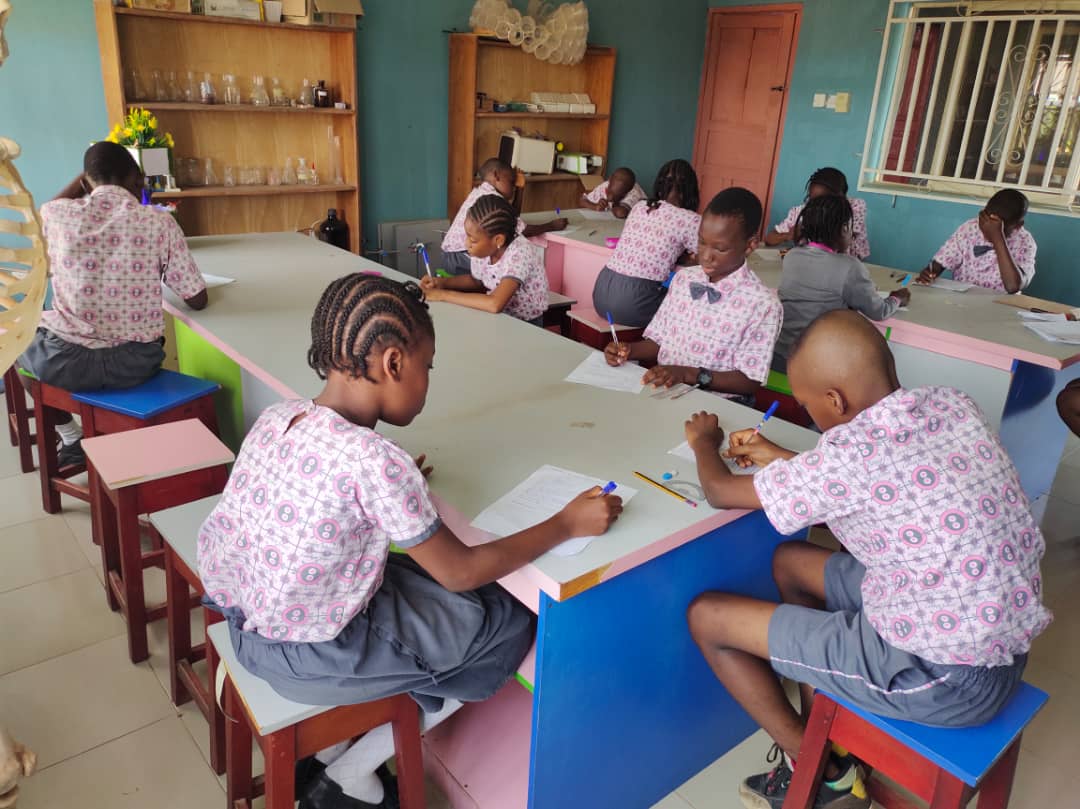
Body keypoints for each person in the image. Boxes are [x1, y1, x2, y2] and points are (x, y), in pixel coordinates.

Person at [197, 275, 622, 809]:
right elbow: (460, 572)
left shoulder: (281, 416)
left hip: (251, 623)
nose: (427, 380)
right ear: (394, 363)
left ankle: (335, 749)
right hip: (311, 652)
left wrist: (394, 491)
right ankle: (352, 771)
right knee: (507, 624)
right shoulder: (375, 461)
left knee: (432, 598)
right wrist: (565, 524)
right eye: (428, 366)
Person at [684, 310, 1051, 809]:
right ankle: (826, 713)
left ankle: (822, 772)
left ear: (835, 400)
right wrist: (777, 456)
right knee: (790, 560)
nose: (811, 415)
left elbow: (720, 490)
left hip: (946, 676)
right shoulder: (950, 404)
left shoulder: (849, 459)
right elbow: (866, 478)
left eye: (809, 406)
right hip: (992, 636)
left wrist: (704, 442)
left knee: (706, 617)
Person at [17, 141, 207, 467]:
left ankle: (71, 436)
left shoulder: (58, 215)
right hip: (136, 364)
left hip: (64, 363)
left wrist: (86, 181)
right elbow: (197, 299)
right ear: (138, 179)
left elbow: (50, 206)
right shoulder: (159, 222)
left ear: (85, 182)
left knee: (17, 348)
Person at [603, 187, 781, 401]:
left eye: (720, 249)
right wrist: (629, 350)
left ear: (750, 245)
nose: (705, 256)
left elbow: (749, 380)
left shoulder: (763, 304)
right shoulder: (684, 279)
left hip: (721, 404)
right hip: (669, 391)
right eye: (702, 242)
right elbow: (660, 341)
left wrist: (688, 374)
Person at [772, 194, 909, 373]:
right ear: (844, 229)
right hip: (816, 364)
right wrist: (896, 299)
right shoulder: (850, 266)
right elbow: (878, 311)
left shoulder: (792, 256)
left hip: (779, 355)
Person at [591, 159, 702, 328]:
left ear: (659, 185)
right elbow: (707, 257)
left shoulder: (639, 207)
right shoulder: (690, 219)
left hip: (602, 291)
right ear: (692, 189)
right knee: (688, 306)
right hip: (635, 302)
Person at [420, 194, 548, 325]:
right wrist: (442, 283)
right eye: (467, 236)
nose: (466, 244)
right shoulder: (486, 251)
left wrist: (443, 295)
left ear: (498, 240)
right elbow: (477, 281)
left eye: (473, 240)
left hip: (526, 324)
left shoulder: (520, 253)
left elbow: (495, 304)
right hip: (500, 318)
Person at [439, 158, 567, 275]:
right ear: (496, 176)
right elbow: (521, 230)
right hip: (461, 257)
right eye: (511, 182)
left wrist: (520, 189)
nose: (513, 188)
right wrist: (552, 226)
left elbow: (510, 219)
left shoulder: (481, 191)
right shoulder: (491, 198)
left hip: (453, 256)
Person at [916, 189, 1035, 293]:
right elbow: (940, 263)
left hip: (1000, 304)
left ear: (1018, 225)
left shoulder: (1025, 241)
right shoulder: (969, 228)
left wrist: (998, 238)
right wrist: (930, 272)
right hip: (962, 301)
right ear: (982, 214)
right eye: (986, 221)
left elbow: (1013, 286)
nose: (988, 228)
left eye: (999, 227)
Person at [764, 167, 871, 260]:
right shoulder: (801, 211)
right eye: (811, 199)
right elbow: (769, 239)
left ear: (840, 198)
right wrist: (789, 235)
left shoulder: (854, 207)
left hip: (846, 264)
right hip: (813, 264)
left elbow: (842, 245)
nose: (815, 205)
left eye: (822, 200)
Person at [579, 166, 647, 219]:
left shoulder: (634, 193)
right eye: (609, 191)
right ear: (609, 181)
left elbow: (621, 213)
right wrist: (595, 206)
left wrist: (614, 203)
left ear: (626, 193)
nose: (610, 197)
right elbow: (582, 200)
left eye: (616, 195)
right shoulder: (606, 185)